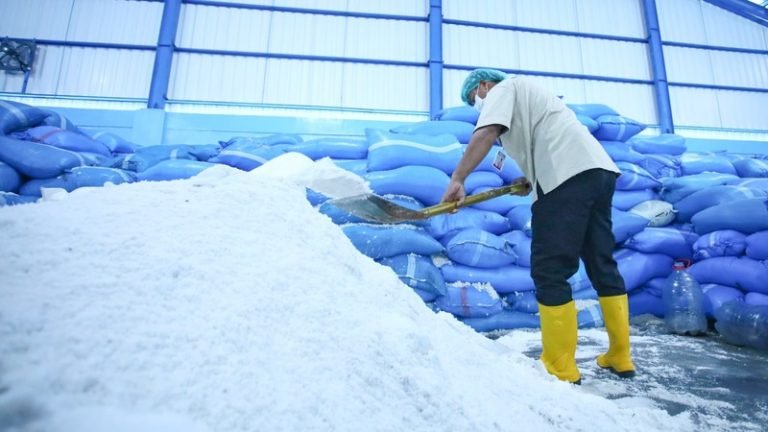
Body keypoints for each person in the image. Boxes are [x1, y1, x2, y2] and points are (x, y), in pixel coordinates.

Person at [441, 68, 636, 384]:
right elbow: (546, 143)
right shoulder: (531, 99)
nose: (475, 104)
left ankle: (560, 367)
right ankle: (620, 355)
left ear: (484, 85)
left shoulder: (503, 89)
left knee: (549, 269)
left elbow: (485, 133)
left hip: (566, 177)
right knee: (602, 264)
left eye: (473, 97)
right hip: (598, 173)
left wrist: (458, 178)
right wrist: (530, 179)